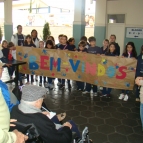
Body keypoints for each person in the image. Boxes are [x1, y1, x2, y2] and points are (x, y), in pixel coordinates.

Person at [11, 85, 81, 143]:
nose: (42, 101)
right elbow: (62, 140)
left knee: (52, 118)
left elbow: (28, 117)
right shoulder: (40, 120)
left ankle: (56, 119)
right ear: (37, 102)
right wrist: (67, 127)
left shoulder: (14, 110)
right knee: (70, 123)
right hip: (47, 138)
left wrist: (40, 113)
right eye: (42, 99)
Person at [0, 62, 28, 143]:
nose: (2, 71)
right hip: (13, 112)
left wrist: (4, 121)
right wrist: (12, 137)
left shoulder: (1, 83)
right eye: (1, 68)